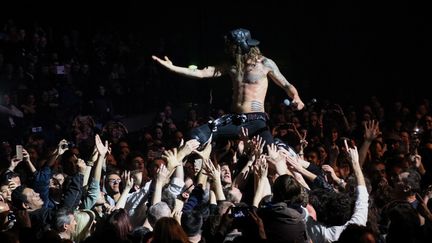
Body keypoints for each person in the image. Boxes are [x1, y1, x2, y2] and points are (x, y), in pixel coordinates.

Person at [152, 28, 305, 146]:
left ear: (242, 47)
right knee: (197, 135)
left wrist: (296, 97)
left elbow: (286, 85)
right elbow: (202, 73)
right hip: (235, 119)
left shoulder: (265, 64)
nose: (230, 51)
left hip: (256, 120)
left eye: (233, 47)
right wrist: (173, 68)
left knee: (271, 155)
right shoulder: (231, 66)